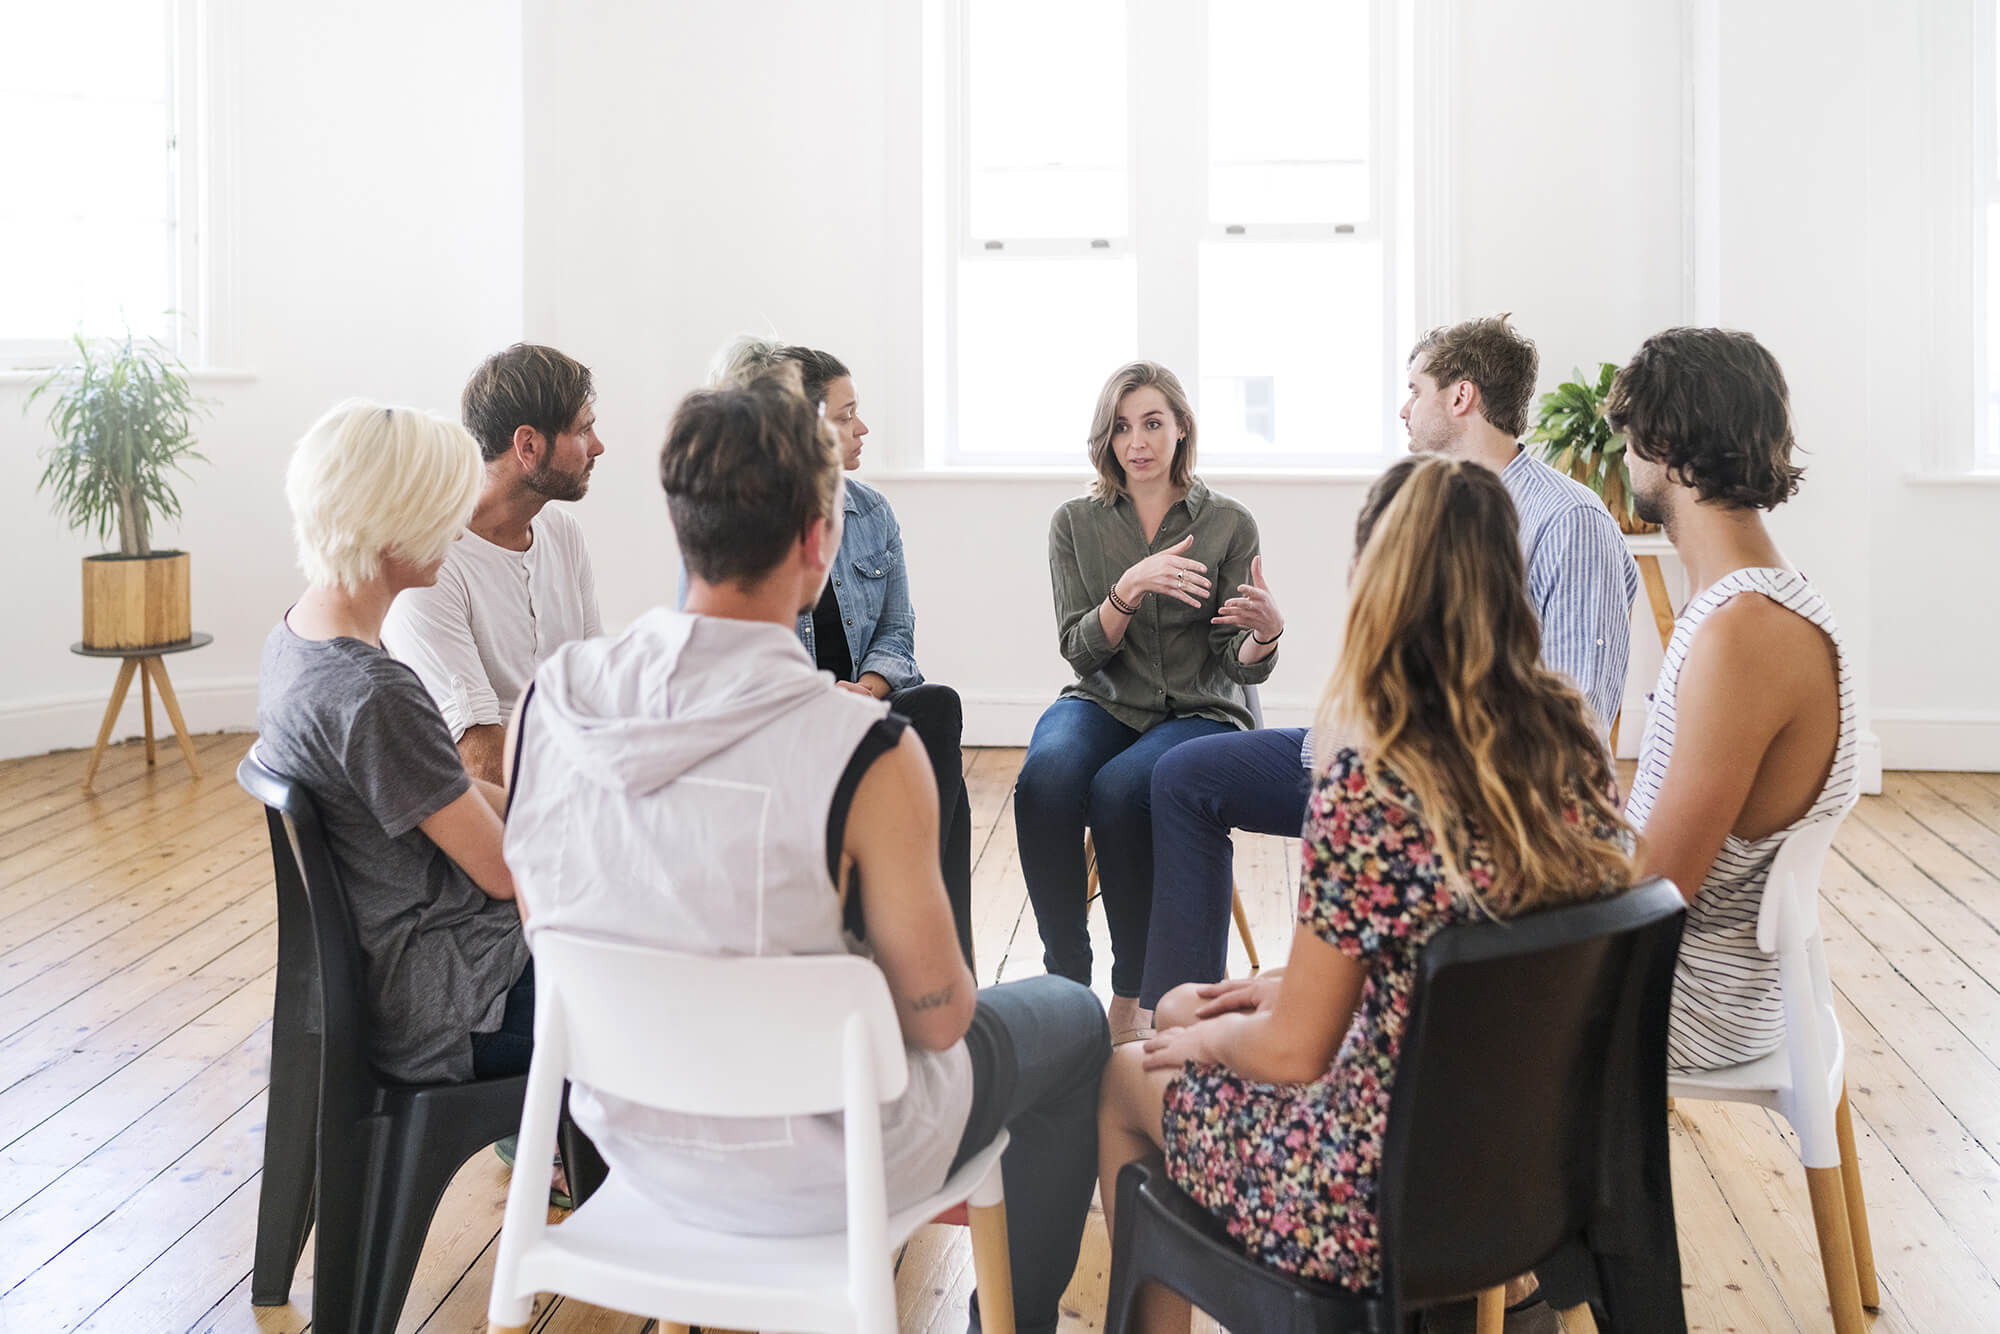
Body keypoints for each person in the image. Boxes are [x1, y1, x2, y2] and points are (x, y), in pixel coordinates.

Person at [502, 370, 1109, 1334]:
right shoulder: (864, 750)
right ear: (819, 542)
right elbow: (944, 1017)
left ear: (680, 524)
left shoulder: (556, 698)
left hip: (630, 1143)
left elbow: (547, 924)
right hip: (827, 1169)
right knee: (1077, 1019)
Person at [1096, 455, 1633, 1330]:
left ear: (1374, 582)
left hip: (1372, 1195)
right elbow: (1452, 948)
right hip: (1533, 1167)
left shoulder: (1375, 783)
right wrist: (1254, 998)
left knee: (1131, 1071)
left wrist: (1221, 1033)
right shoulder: (1574, 758)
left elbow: (1294, 1054)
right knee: (1196, 1006)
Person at [1139, 315, 1638, 1014]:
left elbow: (1577, 722)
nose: (1404, 406)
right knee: (1183, 777)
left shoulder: (1569, 521)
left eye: (1415, 388)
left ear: (1460, 398)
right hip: (1370, 758)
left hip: (1447, 795)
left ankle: (1229, 1027)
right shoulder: (1428, 504)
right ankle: (1176, 1013)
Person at [256, 400, 532, 1084]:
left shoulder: (299, 638)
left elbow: (448, 788)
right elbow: (505, 872)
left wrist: (543, 801)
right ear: (393, 528)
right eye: (446, 510)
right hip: (456, 1004)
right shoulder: (374, 694)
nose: (461, 527)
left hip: (403, 981)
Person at [1609, 327, 1856, 1072]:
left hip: (1682, 999)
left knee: (1407, 979)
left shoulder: (1742, 633)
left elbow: (1658, 888)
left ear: (1665, 446)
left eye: (1628, 442)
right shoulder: (1753, 604)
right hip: (1689, 978)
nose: (1623, 461)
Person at [1015, 361, 1281, 1043]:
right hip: (1104, 696)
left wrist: (1263, 635)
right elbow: (1080, 651)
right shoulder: (1075, 523)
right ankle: (1064, 979)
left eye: (1153, 423)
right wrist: (1127, 589)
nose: (1138, 441)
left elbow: (1234, 661)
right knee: (1043, 779)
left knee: (1121, 790)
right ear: (1105, 437)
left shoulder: (1228, 524)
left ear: (1181, 427)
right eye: (1123, 426)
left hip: (1198, 706)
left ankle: (1128, 995)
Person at [706, 338, 975, 966]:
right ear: (803, 432)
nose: (863, 428)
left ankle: (914, 940)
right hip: (788, 723)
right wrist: (824, 698)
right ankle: (920, 945)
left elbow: (898, 634)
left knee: (935, 708)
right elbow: (729, 650)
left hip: (863, 708)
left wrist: (868, 689)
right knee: (944, 774)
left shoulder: (872, 511)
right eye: (845, 415)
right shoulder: (741, 526)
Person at [382, 344, 605, 786]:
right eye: (584, 431)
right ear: (528, 445)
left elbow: (597, 686)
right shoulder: (428, 565)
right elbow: (479, 762)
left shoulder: (562, 533)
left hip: (572, 785)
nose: (598, 447)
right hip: (501, 817)